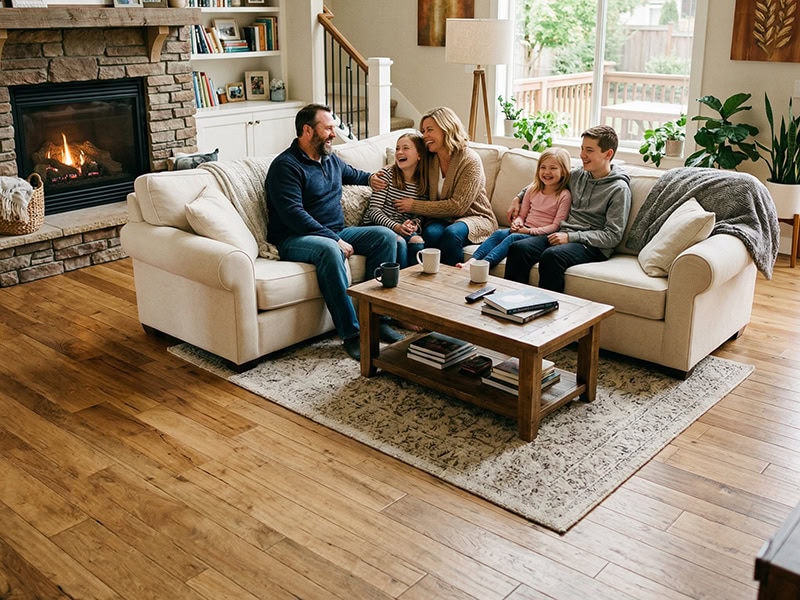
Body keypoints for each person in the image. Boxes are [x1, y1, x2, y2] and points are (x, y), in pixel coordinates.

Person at [265, 103, 404, 361]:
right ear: (307, 130)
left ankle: (378, 318)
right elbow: (294, 215)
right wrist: (334, 238)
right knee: (330, 249)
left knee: (384, 236)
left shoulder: (329, 158)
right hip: (295, 238)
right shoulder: (286, 167)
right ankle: (351, 334)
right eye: (328, 128)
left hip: (334, 231)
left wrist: (371, 179)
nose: (333, 134)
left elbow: (352, 174)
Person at [503, 125, 631, 292]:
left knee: (552, 256)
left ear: (608, 154)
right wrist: (518, 197)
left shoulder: (619, 189)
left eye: (589, 150)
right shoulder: (578, 175)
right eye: (582, 148)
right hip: (561, 235)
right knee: (519, 248)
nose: (582, 155)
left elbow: (613, 236)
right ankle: (509, 303)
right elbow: (546, 181)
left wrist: (571, 237)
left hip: (592, 246)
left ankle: (545, 311)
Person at [393, 106, 497, 266]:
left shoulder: (470, 160)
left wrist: (414, 206)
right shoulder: (430, 157)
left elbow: (458, 207)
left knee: (451, 234)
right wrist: (375, 176)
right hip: (443, 218)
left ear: (446, 128)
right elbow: (404, 162)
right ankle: (428, 281)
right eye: (423, 131)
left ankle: (452, 284)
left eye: (429, 130)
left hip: (475, 217)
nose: (424, 136)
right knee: (430, 233)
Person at [457, 147, 572, 269]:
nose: (547, 172)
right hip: (525, 228)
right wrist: (517, 223)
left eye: (553, 168)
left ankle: (484, 265)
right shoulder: (532, 189)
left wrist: (528, 231)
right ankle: (472, 261)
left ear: (564, 171)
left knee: (513, 237)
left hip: (540, 235)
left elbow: (556, 226)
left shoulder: (564, 195)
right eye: (543, 167)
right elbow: (522, 216)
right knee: (498, 234)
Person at [361, 132, 428, 268]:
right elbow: (373, 211)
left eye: (405, 148)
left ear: (419, 155)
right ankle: (398, 284)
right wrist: (395, 226)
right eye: (397, 148)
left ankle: (415, 284)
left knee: (417, 241)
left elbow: (420, 211)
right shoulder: (386, 175)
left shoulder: (423, 182)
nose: (399, 152)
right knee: (399, 242)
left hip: (402, 228)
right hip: (380, 227)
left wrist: (414, 223)